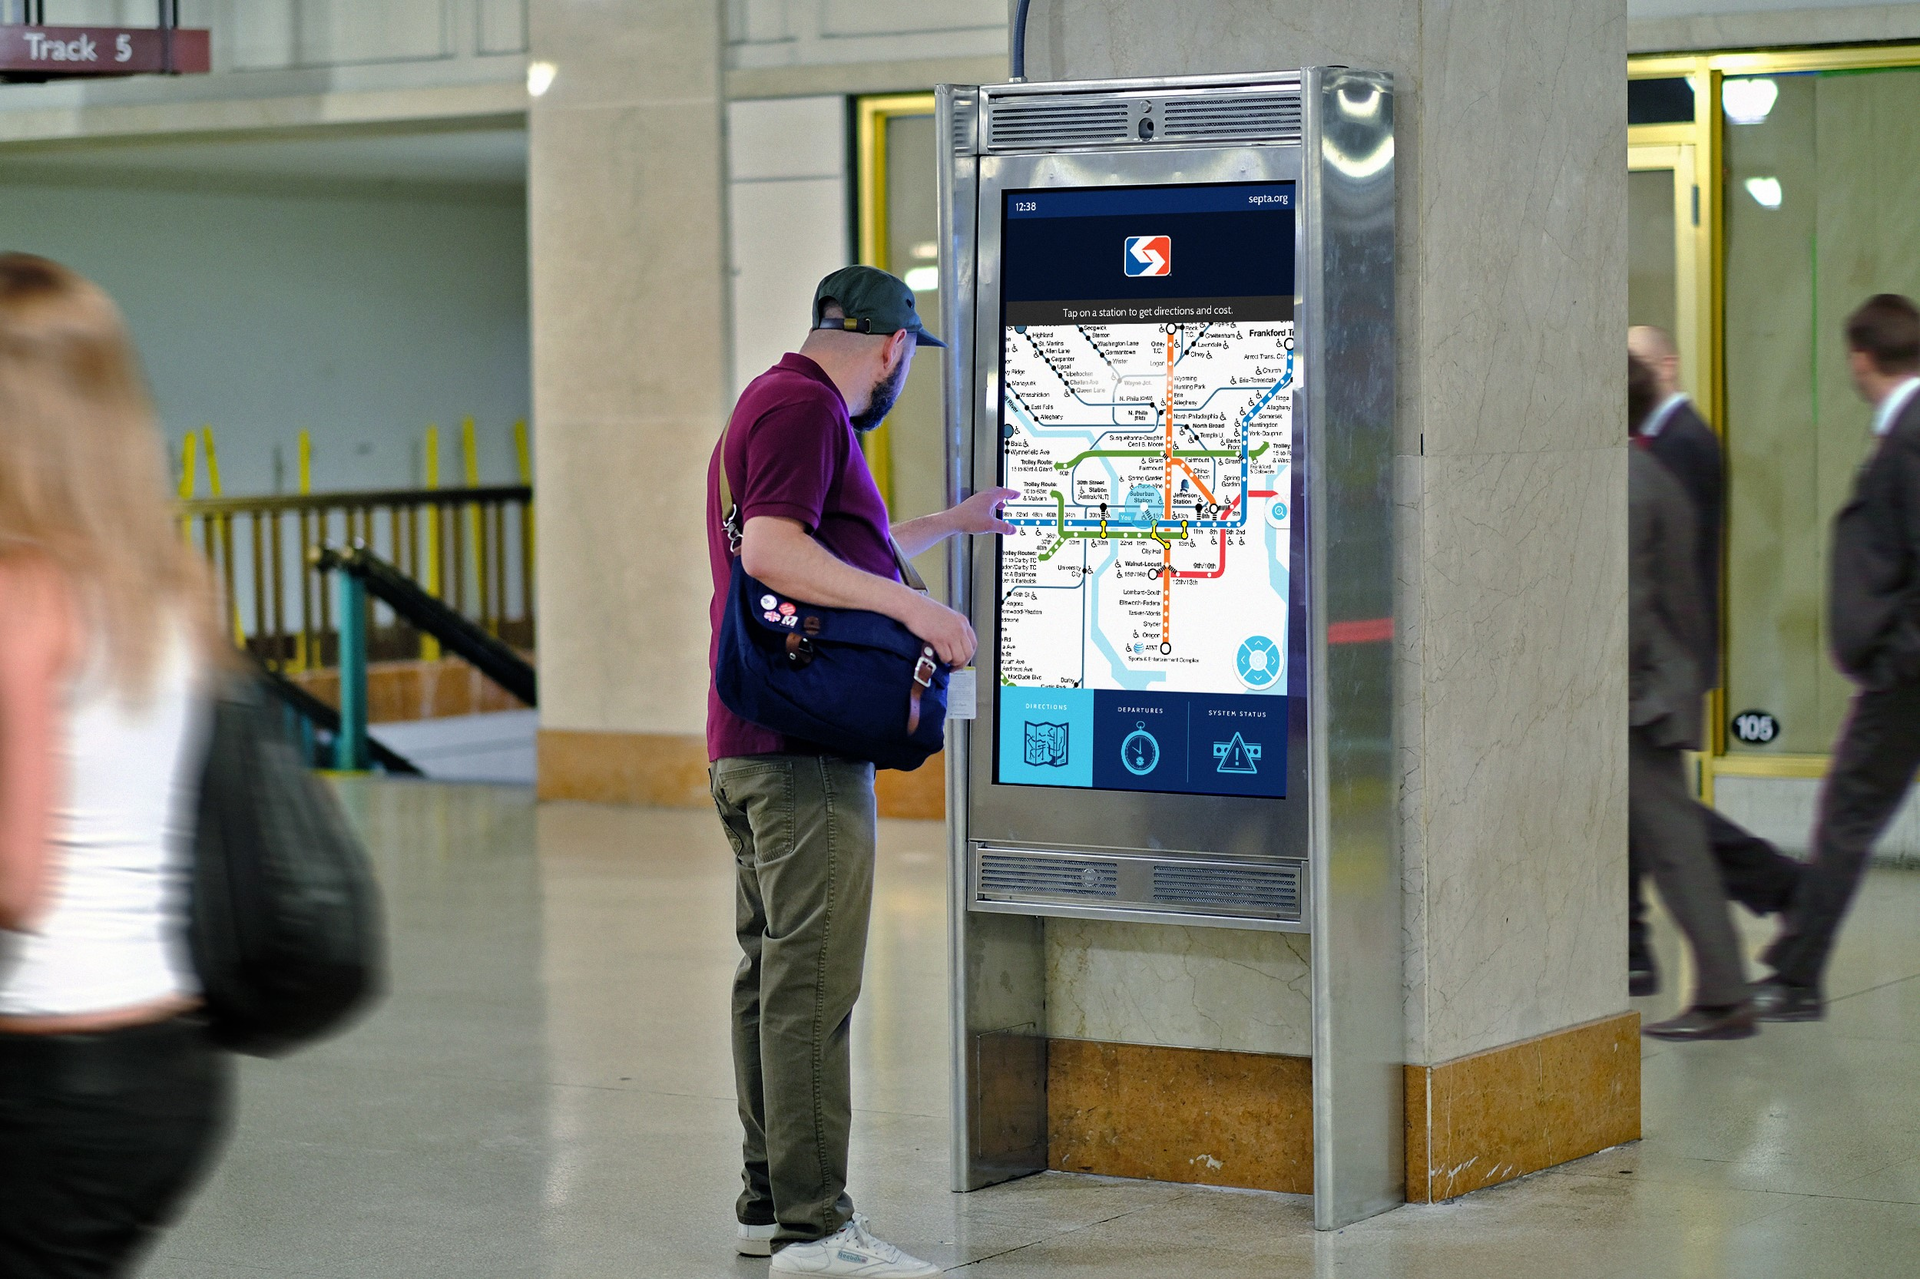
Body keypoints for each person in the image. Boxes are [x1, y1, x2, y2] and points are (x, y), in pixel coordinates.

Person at [706, 265, 1015, 1277]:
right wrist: (919, 610)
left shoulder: (769, 402)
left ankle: (767, 1199)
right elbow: (778, 557)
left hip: (752, 746)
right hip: (803, 760)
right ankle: (815, 1227)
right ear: (891, 350)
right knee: (812, 984)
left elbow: (847, 549)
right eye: (905, 364)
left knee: (774, 975)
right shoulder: (805, 410)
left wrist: (948, 525)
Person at [0, 254, 230, 1275]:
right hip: (165, 1060)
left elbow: (16, 875)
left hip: (51, 1066)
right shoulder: (168, 581)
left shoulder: (20, 593)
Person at [1751, 294, 1920, 1021]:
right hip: (1901, 670)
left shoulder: (1910, 438)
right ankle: (1795, 962)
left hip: (1904, 678)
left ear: (1861, 357)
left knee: (1846, 815)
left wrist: (1896, 654)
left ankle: (1796, 975)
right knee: (1847, 814)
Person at [1624, 326, 1802, 997]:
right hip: (1658, 672)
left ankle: (1764, 912)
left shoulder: (1674, 452)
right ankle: (1641, 947)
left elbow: (1668, 577)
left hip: (1651, 680)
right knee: (1657, 823)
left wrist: (1659, 673)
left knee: (1670, 830)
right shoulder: (1652, 457)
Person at [1627, 353, 1757, 1041]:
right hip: (1658, 686)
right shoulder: (1648, 473)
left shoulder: (1625, 482)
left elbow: (1632, 605)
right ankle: (1723, 988)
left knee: (1676, 846)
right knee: (1677, 842)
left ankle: (1724, 993)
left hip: (1638, 699)